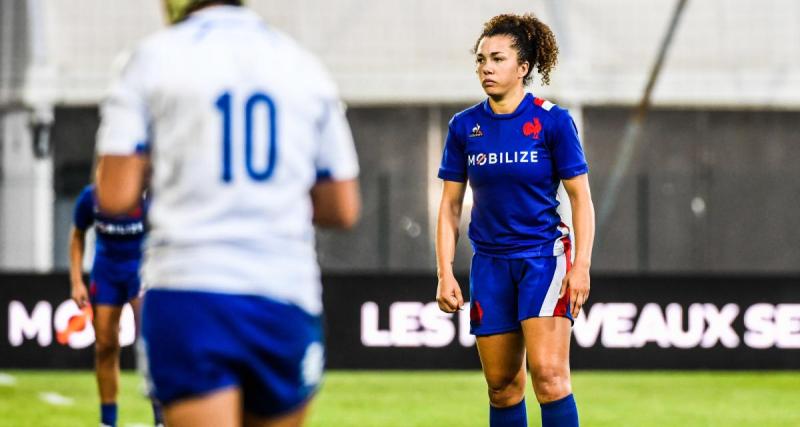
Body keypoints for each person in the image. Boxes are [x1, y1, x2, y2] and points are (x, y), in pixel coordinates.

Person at [93, 1, 360, 426]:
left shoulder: (152, 57)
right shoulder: (301, 64)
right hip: (283, 292)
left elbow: (114, 195)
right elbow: (342, 207)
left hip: (190, 289)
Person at [435, 13, 595, 427]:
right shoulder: (464, 127)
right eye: (481, 58)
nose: (486, 67)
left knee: (549, 376)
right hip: (489, 264)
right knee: (502, 386)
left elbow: (581, 199)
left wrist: (581, 267)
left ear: (523, 67)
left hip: (544, 259)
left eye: (497, 58)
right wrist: (444, 273)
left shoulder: (553, 121)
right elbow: (450, 206)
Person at [69, 184, 162, 427]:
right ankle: (107, 421)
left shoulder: (149, 197)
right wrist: (77, 281)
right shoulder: (91, 197)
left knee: (149, 342)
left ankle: (160, 418)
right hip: (106, 271)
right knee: (105, 346)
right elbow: (78, 234)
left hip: (140, 268)